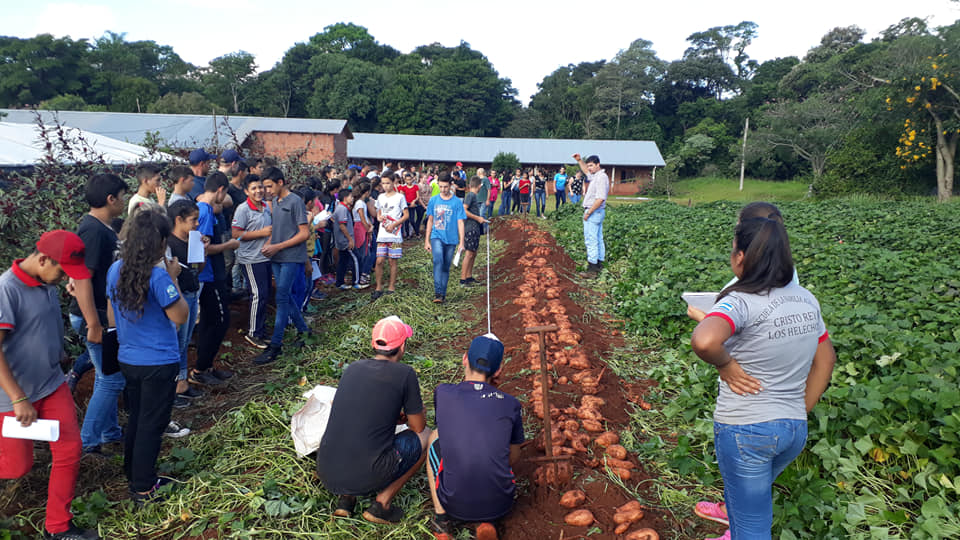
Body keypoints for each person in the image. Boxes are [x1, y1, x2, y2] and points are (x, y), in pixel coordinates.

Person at [690, 218, 836, 540]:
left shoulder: (739, 301)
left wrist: (725, 365)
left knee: (751, 529)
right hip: (792, 430)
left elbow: (704, 340)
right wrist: (798, 411)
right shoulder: (806, 299)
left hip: (746, 432)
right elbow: (826, 360)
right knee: (748, 508)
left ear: (740, 257)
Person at [1, 230, 101, 540]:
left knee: (69, 448)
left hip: (51, 384)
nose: (63, 278)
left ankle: (58, 526)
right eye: (62, 271)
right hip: (13, 397)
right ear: (43, 259)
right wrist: (18, 398)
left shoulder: (45, 282)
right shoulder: (7, 289)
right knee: (17, 466)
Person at [107, 209, 189, 505]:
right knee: (152, 424)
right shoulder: (157, 276)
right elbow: (180, 315)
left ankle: (134, 471)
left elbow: (110, 313)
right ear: (159, 242)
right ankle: (143, 488)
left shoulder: (115, 270)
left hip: (128, 358)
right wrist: (174, 278)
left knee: (137, 418)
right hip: (158, 361)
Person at [317, 316, 431, 525]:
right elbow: (418, 426)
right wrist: (418, 412)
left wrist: (392, 417)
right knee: (428, 437)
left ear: (374, 344)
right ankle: (382, 503)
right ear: (402, 346)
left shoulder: (352, 368)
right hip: (368, 473)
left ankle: (346, 501)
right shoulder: (405, 374)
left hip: (327, 470)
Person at [428, 334, 522, 540]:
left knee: (435, 436)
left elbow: (455, 422)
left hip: (454, 502)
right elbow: (514, 456)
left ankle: (442, 521)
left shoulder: (443, 393)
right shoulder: (511, 404)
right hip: (502, 503)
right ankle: (486, 520)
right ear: (498, 371)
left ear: (464, 359)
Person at [68, 173, 127, 456]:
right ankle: (88, 442)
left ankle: (110, 433)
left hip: (101, 314)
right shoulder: (92, 230)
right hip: (94, 317)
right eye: (122, 196)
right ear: (110, 198)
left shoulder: (101, 227)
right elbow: (82, 279)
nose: (124, 202)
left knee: (109, 375)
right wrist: (93, 322)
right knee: (111, 379)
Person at [254, 167, 311, 366]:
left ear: (280, 182)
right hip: (276, 255)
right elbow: (277, 230)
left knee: (281, 297)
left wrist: (277, 246)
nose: (266, 190)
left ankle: (276, 345)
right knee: (284, 295)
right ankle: (304, 331)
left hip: (291, 256)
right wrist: (270, 243)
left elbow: (304, 233)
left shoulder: (295, 201)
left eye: (269, 186)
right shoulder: (275, 203)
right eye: (265, 186)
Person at [191, 172, 239, 384]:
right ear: (221, 190)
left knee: (211, 321)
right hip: (209, 275)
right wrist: (229, 245)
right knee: (220, 321)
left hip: (212, 274)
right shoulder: (205, 212)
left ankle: (206, 367)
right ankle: (200, 369)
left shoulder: (205, 209)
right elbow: (204, 249)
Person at [166, 201, 204, 407]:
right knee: (176, 343)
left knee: (184, 340)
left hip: (191, 293)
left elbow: (199, 266)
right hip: (178, 299)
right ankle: (172, 387)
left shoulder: (192, 240)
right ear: (178, 220)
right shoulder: (169, 245)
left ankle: (181, 383)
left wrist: (202, 249)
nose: (197, 224)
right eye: (193, 220)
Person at [231, 175, 272, 349]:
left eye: (260, 187)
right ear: (247, 191)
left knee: (265, 294)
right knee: (258, 294)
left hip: (264, 257)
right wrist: (261, 233)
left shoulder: (265, 207)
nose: (258, 191)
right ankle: (253, 333)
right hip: (250, 259)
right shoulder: (243, 209)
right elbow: (235, 234)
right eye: (254, 188)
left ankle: (260, 330)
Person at [424, 174, 465, 304]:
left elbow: (460, 222)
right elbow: (430, 220)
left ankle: (443, 294)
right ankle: (438, 292)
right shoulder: (434, 200)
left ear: (450, 185)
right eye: (440, 186)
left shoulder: (457, 202)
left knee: (446, 266)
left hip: (451, 239)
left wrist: (461, 242)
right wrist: (427, 240)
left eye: (445, 187)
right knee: (438, 261)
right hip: (437, 236)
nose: (443, 189)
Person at [371, 175, 408, 301]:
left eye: (387, 183)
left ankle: (391, 287)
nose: (385, 186)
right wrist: (379, 217)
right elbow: (378, 211)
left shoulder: (400, 197)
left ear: (394, 182)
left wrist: (394, 224)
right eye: (383, 183)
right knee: (379, 260)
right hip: (382, 234)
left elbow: (406, 215)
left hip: (395, 234)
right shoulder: (380, 197)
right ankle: (378, 287)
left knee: (393, 261)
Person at [573, 154, 609, 278]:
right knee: (598, 238)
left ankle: (592, 269)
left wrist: (588, 213)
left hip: (594, 212)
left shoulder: (601, 178)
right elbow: (585, 171)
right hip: (597, 212)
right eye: (588, 166)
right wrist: (579, 161)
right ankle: (599, 263)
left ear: (598, 164)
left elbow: (600, 198)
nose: (589, 168)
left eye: (591, 165)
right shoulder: (596, 176)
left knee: (591, 239)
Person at [459, 177, 487, 286]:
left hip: (475, 228)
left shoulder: (473, 196)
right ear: (479, 186)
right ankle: (463, 279)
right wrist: (477, 218)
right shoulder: (470, 195)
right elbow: (464, 210)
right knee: (469, 253)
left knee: (473, 253)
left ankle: (469, 276)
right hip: (470, 227)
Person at [331, 188, 359, 291]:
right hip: (345, 241)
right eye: (351, 197)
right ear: (345, 197)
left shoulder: (340, 208)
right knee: (356, 258)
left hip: (341, 240)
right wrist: (350, 240)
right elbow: (342, 226)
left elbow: (333, 218)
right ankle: (356, 282)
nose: (352, 199)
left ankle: (339, 283)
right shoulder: (342, 209)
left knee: (343, 261)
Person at [397, 172, 420, 239]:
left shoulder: (415, 186)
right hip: (406, 205)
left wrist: (414, 201)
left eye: (410, 179)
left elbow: (417, 196)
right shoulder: (403, 187)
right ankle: (407, 235)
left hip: (412, 205)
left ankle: (417, 233)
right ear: (405, 180)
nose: (409, 181)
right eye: (407, 180)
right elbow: (401, 196)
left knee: (412, 220)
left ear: (412, 179)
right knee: (406, 221)